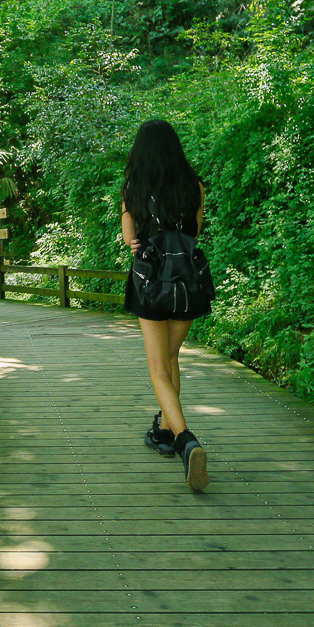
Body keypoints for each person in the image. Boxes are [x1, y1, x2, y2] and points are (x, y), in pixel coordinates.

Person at [121, 119, 210, 491]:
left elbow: (130, 240)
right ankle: (165, 425)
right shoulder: (194, 184)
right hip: (188, 282)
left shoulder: (134, 187)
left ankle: (185, 440)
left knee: (158, 368)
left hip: (151, 281)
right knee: (172, 358)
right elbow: (195, 232)